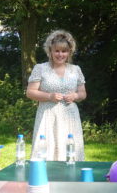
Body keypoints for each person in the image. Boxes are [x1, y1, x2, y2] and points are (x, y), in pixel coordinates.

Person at [26, 29, 87, 161]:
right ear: (50, 51)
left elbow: (83, 93)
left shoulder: (76, 70)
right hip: (47, 115)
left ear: (69, 52)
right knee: (45, 152)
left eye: (64, 51)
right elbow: (30, 92)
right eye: (57, 51)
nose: (60, 54)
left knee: (70, 153)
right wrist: (49, 96)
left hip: (70, 116)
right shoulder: (40, 68)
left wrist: (75, 96)